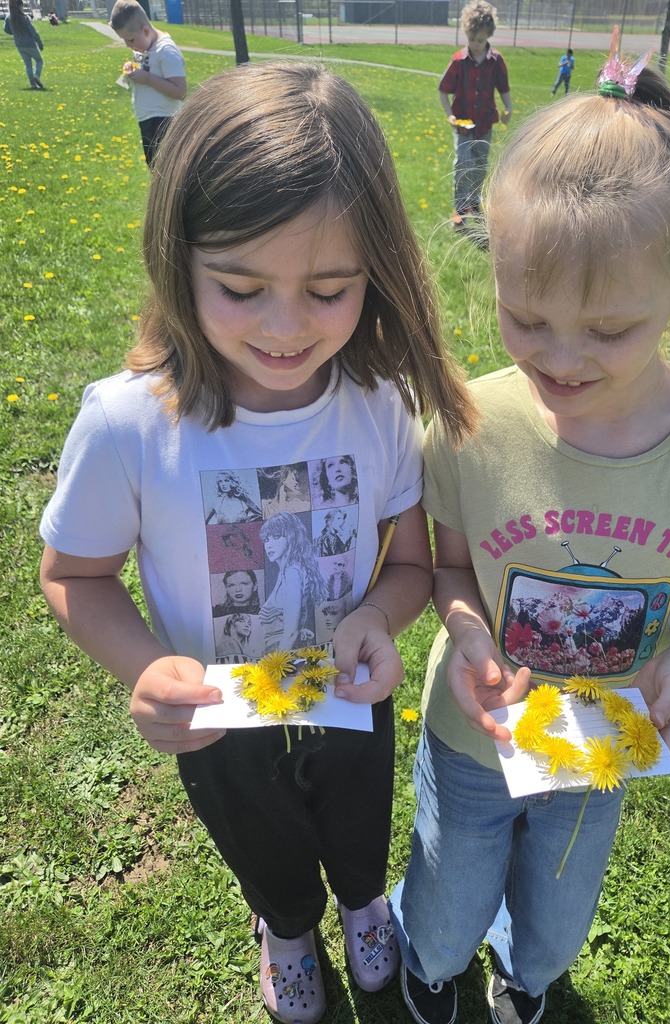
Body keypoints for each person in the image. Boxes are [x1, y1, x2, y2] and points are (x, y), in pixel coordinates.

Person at [39, 61, 476, 1024]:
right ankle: (285, 928)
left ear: (377, 272)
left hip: (350, 700)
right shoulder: (128, 424)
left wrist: (374, 615)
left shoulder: (383, 405)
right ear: (176, 259)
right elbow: (73, 573)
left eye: (329, 289)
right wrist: (148, 668)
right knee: (263, 849)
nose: (286, 328)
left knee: (360, 839)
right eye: (240, 287)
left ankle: (364, 908)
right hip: (218, 721)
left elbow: (410, 562)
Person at [391, 40, 670, 1024]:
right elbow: (453, 564)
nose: (560, 356)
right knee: (443, 903)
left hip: (600, 747)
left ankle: (526, 975)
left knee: (557, 922)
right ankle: (434, 969)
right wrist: (469, 630)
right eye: (526, 317)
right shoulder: (470, 418)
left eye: (606, 330)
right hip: (475, 735)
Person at [438, 0, 511, 231]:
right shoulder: (459, 62)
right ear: (466, 34)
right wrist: (450, 115)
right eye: (471, 39)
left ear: (489, 35)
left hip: (485, 125)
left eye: (480, 40)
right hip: (463, 125)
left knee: (479, 166)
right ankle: (460, 209)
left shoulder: (496, 61)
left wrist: (508, 108)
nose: (475, 44)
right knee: (463, 166)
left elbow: (504, 89)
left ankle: (474, 203)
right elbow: (443, 91)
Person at [109, 0, 186, 168]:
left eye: (130, 39)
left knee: (165, 169)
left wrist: (148, 79)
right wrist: (132, 70)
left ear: (145, 30)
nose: (128, 45)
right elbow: (147, 69)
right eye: (124, 41)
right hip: (147, 119)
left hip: (164, 120)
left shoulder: (166, 51)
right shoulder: (144, 47)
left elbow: (180, 91)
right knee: (154, 167)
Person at [259, 512, 327, 652]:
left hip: (279, 658)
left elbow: (290, 633)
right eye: (267, 539)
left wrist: (276, 668)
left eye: (276, 537)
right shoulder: (287, 571)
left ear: (291, 538)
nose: (269, 545)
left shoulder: (292, 573)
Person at [4, 0, 45, 91]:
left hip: (19, 45)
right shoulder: (25, 18)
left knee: (28, 65)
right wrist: (40, 43)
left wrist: (14, 32)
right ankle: (36, 76)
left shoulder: (8, 17)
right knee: (39, 61)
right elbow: (33, 32)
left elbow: (6, 30)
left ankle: (32, 84)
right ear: (20, 6)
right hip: (30, 44)